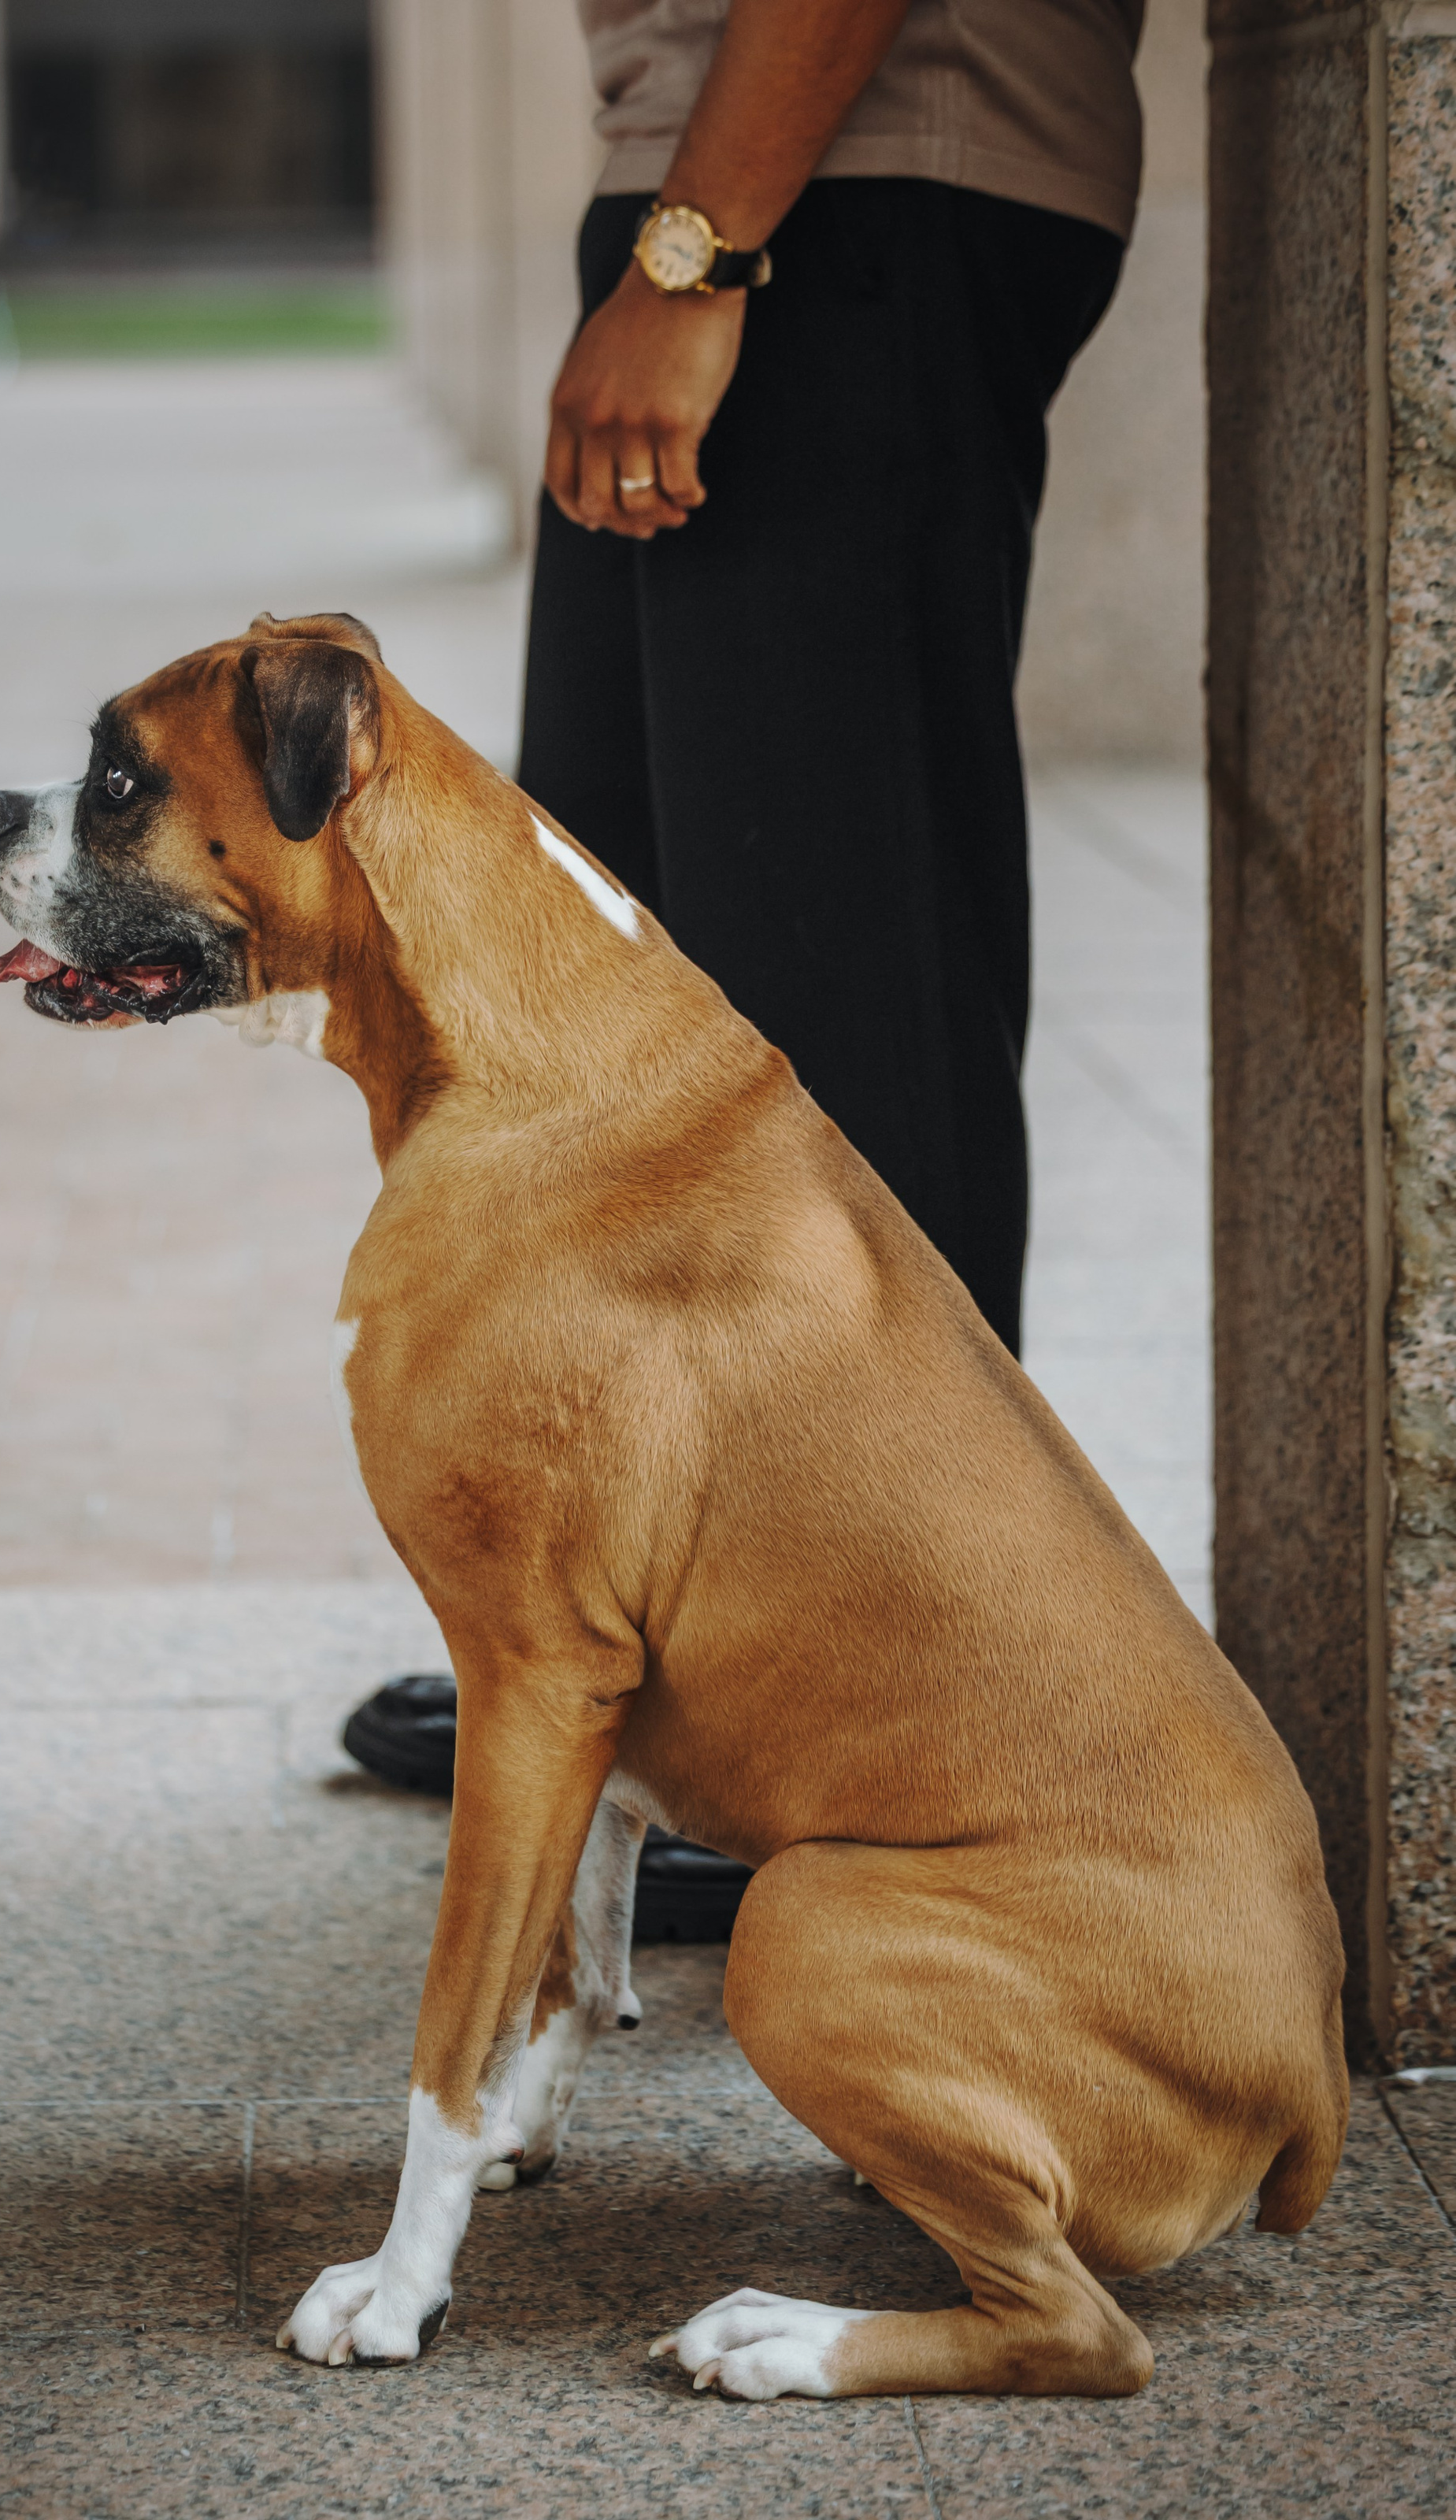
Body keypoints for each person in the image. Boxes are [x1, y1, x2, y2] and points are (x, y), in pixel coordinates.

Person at [342, 0, 1143, 1925]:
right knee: (632, 1015)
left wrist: (701, 252)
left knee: (833, 1023)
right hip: (748, 191)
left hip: (836, 199)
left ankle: (898, 1758)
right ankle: (666, 1686)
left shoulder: (773, 232)